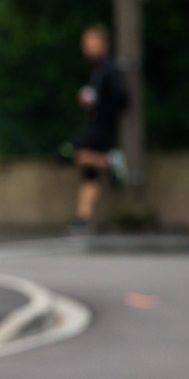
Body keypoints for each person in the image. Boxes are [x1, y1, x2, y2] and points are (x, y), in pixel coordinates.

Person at [68, 23, 128, 231]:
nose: (87, 47)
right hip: (96, 122)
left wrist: (99, 105)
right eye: (85, 43)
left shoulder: (108, 68)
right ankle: (84, 216)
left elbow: (121, 96)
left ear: (104, 44)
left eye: (91, 43)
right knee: (89, 173)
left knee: (72, 153)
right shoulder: (98, 69)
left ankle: (110, 161)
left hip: (101, 125)